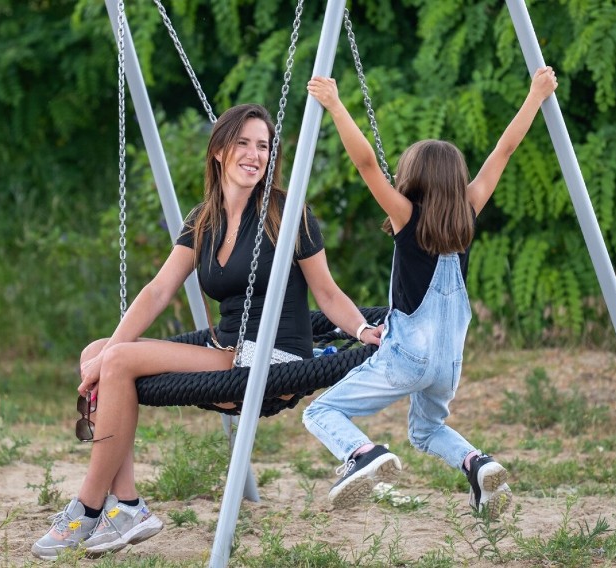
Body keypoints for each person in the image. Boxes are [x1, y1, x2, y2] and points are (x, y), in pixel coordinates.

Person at [31, 103, 383, 559]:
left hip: (271, 357)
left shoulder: (285, 211)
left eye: (264, 146)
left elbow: (328, 293)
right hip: (228, 347)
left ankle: (89, 507)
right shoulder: (204, 219)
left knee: (115, 360)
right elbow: (158, 291)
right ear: (219, 150)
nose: (255, 155)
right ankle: (129, 505)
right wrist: (104, 353)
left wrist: (359, 329)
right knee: (99, 350)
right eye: (244, 144)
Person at [303, 68, 558, 517]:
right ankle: (476, 463)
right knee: (426, 430)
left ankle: (361, 454)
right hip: (449, 362)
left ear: (412, 178)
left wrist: (336, 105)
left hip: (407, 357)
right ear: (456, 179)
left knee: (320, 413)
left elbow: (365, 164)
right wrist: (535, 96)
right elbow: (505, 149)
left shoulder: (406, 216)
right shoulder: (469, 212)